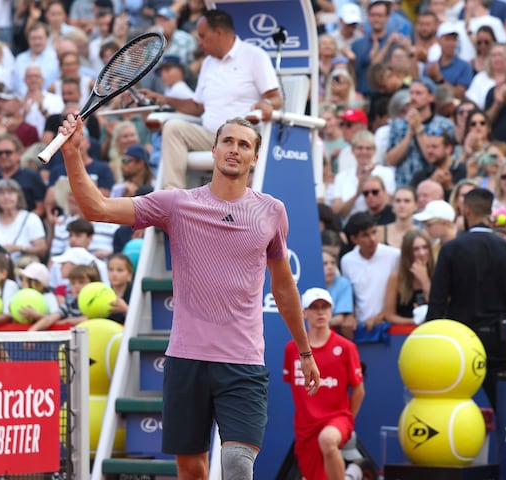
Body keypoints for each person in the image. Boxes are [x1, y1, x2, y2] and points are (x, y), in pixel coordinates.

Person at [58, 113, 320, 478]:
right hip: (186, 360)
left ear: (255, 158)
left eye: (244, 144)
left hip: (243, 362)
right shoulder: (176, 204)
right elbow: (96, 209)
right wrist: (72, 154)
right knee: (191, 469)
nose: (234, 149)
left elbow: (283, 287)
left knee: (237, 462)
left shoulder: (272, 212)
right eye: (228, 141)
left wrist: (306, 351)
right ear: (213, 150)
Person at [142, 9, 283, 190]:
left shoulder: (254, 56)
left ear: (218, 33)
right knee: (172, 127)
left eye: (202, 36)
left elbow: (276, 98)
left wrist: (267, 104)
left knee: (230, 134)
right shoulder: (208, 62)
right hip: (211, 136)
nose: (199, 43)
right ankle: (173, 196)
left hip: (241, 139)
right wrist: (164, 99)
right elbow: (197, 106)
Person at [427, 188, 506, 410]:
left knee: (446, 407)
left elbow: (437, 301)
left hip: (459, 341)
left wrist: (430, 339)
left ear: (466, 210)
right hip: (498, 339)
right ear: (489, 211)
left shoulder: (451, 249)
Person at [283, 287, 365, 480]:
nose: (320, 312)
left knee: (328, 440)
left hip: (337, 420)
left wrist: (347, 420)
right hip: (305, 427)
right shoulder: (291, 349)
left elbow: (359, 390)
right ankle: (353, 474)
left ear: (332, 310)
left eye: (325, 307)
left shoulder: (346, 348)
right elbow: (295, 387)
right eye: (314, 307)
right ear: (304, 312)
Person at [383, 230, 434, 325]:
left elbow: (439, 309)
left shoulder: (437, 273)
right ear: (407, 253)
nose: (422, 253)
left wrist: (425, 281)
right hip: (405, 333)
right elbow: (389, 315)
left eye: (425, 247)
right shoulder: (396, 278)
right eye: (416, 249)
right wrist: (414, 321)